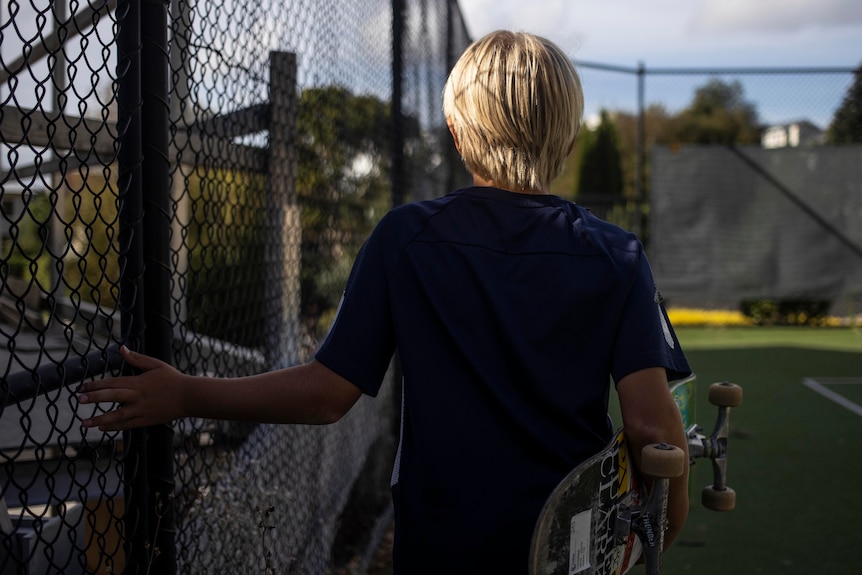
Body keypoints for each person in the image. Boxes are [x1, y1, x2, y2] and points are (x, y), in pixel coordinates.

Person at [79, 30, 690, 575]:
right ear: (570, 133)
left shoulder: (407, 238)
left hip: (441, 548)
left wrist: (187, 392)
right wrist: (664, 523)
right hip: (568, 549)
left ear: (456, 132)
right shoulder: (617, 255)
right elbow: (652, 428)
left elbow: (325, 395)